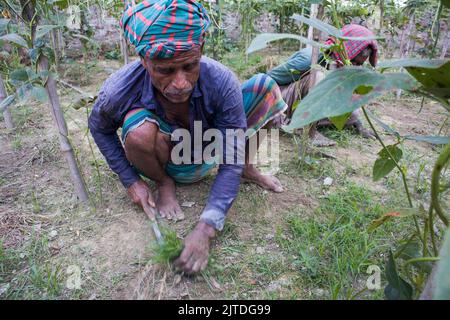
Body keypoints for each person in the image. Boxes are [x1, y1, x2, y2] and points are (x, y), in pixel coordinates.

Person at [88, 0, 287, 275]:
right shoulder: (119, 89)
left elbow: (230, 157)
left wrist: (206, 228)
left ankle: (248, 169)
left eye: (190, 67)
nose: (180, 83)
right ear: (144, 61)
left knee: (265, 87)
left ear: (201, 51)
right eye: (165, 70)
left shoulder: (221, 81)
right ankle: (164, 182)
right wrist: (132, 182)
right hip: (168, 156)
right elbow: (99, 127)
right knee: (138, 131)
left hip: (209, 148)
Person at [267, 24, 378, 146]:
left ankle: (298, 121)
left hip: (306, 106)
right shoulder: (310, 58)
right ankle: (309, 131)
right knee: (319, 76)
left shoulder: (340, 64)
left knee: (352, 108)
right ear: (347, 49)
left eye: (359, 64)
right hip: (281, 100)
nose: (354, 66)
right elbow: (268, 79)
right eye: (354, 61)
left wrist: (359, 126)